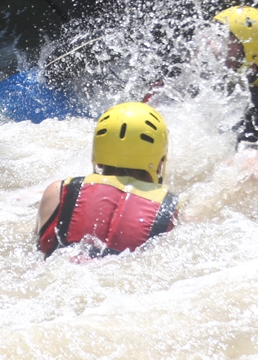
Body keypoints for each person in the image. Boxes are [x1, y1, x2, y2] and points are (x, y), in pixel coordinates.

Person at [36, 101, 179, 257]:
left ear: (98, 155)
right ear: (159, 164)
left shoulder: (58, 192)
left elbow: (38, 246)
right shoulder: (173, 209)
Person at [210, 6, 258, 148]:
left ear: (250, 68)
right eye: (214, 34)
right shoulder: (210, 87)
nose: (210, 45)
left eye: (223, 39)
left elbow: (250, 161)